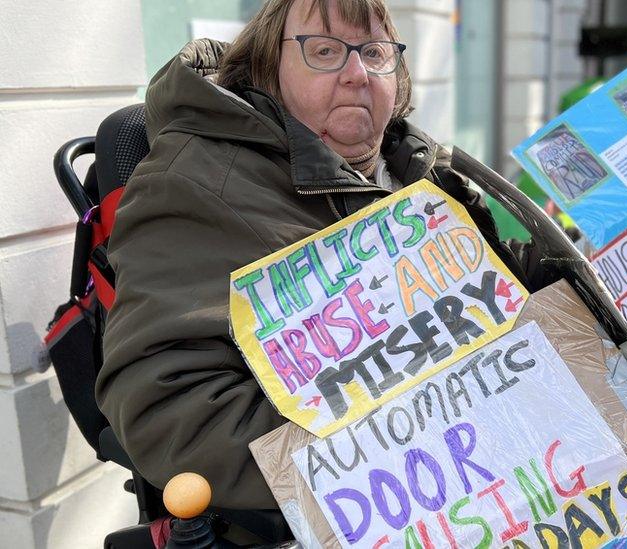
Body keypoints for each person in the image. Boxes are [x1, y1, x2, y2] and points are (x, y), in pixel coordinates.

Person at [95, 0, 552, 510]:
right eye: (326, 50)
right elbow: (169, 410)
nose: (358, 73)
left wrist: (566, 276)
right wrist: (389, 446)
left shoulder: (412, 166)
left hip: (501, 461)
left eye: (375, 52)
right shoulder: (193, 184)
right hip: (375, 502)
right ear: (268, 67)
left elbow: (490, 284)